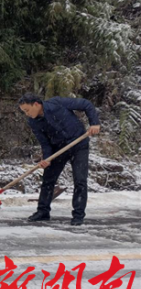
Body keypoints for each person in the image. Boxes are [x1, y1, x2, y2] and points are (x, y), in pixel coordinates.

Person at [18, 93, 100, 226]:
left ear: (36, 104)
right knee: (48, 179)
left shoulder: (58, 103)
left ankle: (78, 215)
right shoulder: (33, 121)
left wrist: (94, 123)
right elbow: (44, 142)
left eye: (27, 110)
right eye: (24, 112)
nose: (26, 114)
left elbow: (86, 104)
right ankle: (43, 212)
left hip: (79, 145)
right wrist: (47, 158)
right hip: (58, 149)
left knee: (80, 180)